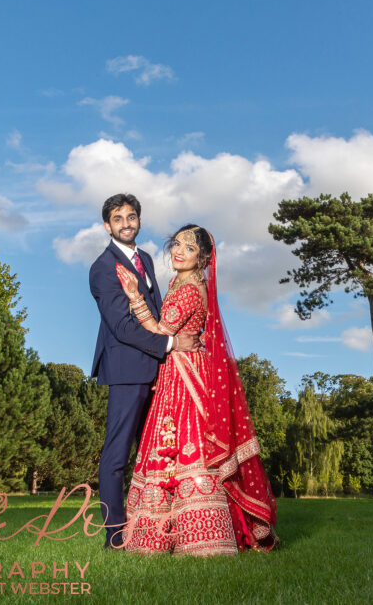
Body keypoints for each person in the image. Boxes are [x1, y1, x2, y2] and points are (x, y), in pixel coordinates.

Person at [115, 224, 278, 555]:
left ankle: (198, 538)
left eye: (188, 248)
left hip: (184, 376)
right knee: (182, 445)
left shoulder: (188, 290)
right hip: (186, 367)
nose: (178, 251)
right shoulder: (182, 282)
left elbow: (161, 332)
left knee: (181, 444)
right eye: (176, 244)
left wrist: (134, 296)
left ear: (202, 258)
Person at [89, 194, 201, 550]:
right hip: (127, 370)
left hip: (159, 371)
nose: (126, 223)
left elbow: (152, 311)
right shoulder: (102, 268)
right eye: (118, 218)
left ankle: (155, 529)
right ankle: (114, 536)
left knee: (154, 454)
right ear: (107, 226)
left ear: (139, 220)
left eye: (131, 216)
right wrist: (171, 345)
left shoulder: (147, 259)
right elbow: (122, 327)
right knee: (117, 455)